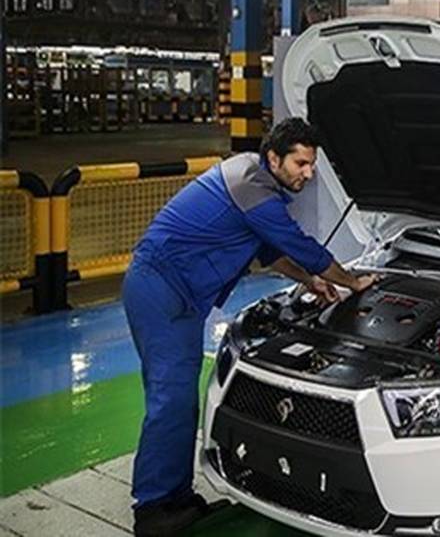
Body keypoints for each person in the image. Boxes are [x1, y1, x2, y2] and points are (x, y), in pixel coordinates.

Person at [122, 117, 377, 535]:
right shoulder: (252, 187)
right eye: (300, 163)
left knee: (180, 400)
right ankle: (152, 510)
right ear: (274, 158)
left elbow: (269, 252)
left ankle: (176, 498)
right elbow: (298, 245)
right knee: (170, 401)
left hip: (175, 291)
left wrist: (312, 281)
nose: (308, 173)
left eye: (312, 165)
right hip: (161, 290)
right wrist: (352, 282)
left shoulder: (251, 179)